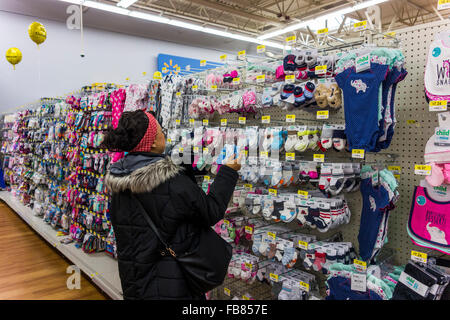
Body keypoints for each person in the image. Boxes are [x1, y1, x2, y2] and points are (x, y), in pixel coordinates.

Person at [102, 110, 241, 300]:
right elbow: (211, 211)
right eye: (160, 131)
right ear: (151, 142)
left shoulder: (118, 180)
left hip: (134, 280)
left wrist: (184, 166)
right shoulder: (171, 182)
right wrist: (228, 172)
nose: (164, 135)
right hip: (172, 282)